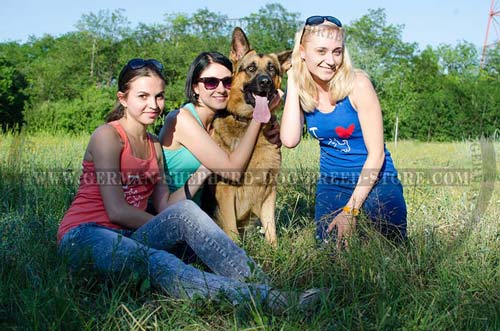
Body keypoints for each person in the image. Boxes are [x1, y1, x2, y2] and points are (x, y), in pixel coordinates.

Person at [57, 58, 321, 313]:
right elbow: (116, 211)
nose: (153, 105)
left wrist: (205, 167)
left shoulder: (154, 146)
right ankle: (271, 301)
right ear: (122, 98)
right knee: (161, 261)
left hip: (129, 236)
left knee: (187, 212)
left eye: (159, 96)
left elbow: (166, 207)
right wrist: (170, 227)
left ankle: (266, 286)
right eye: (142, 96)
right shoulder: (108, 136)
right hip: (87, 235)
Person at [280, 16, 407, 248]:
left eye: (337, 52)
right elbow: (289, 139)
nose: (331, 60)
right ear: (302, 52)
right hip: (332, 183)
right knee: (330, 253)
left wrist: (350, 210)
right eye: (321, 51)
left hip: (377, 180)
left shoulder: (357, 85)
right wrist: (292, 80)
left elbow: (376, 154)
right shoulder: (301, 91)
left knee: (383, 250)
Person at [159, 51, 281, 206]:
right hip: (171, 213)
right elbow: (233, 172)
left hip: (199, 213)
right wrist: (261, 115)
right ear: (195, 87)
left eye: (228, 81)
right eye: (211, 82)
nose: (221, 89)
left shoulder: (220, 121)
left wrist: (271, 127)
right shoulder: (181, 119)